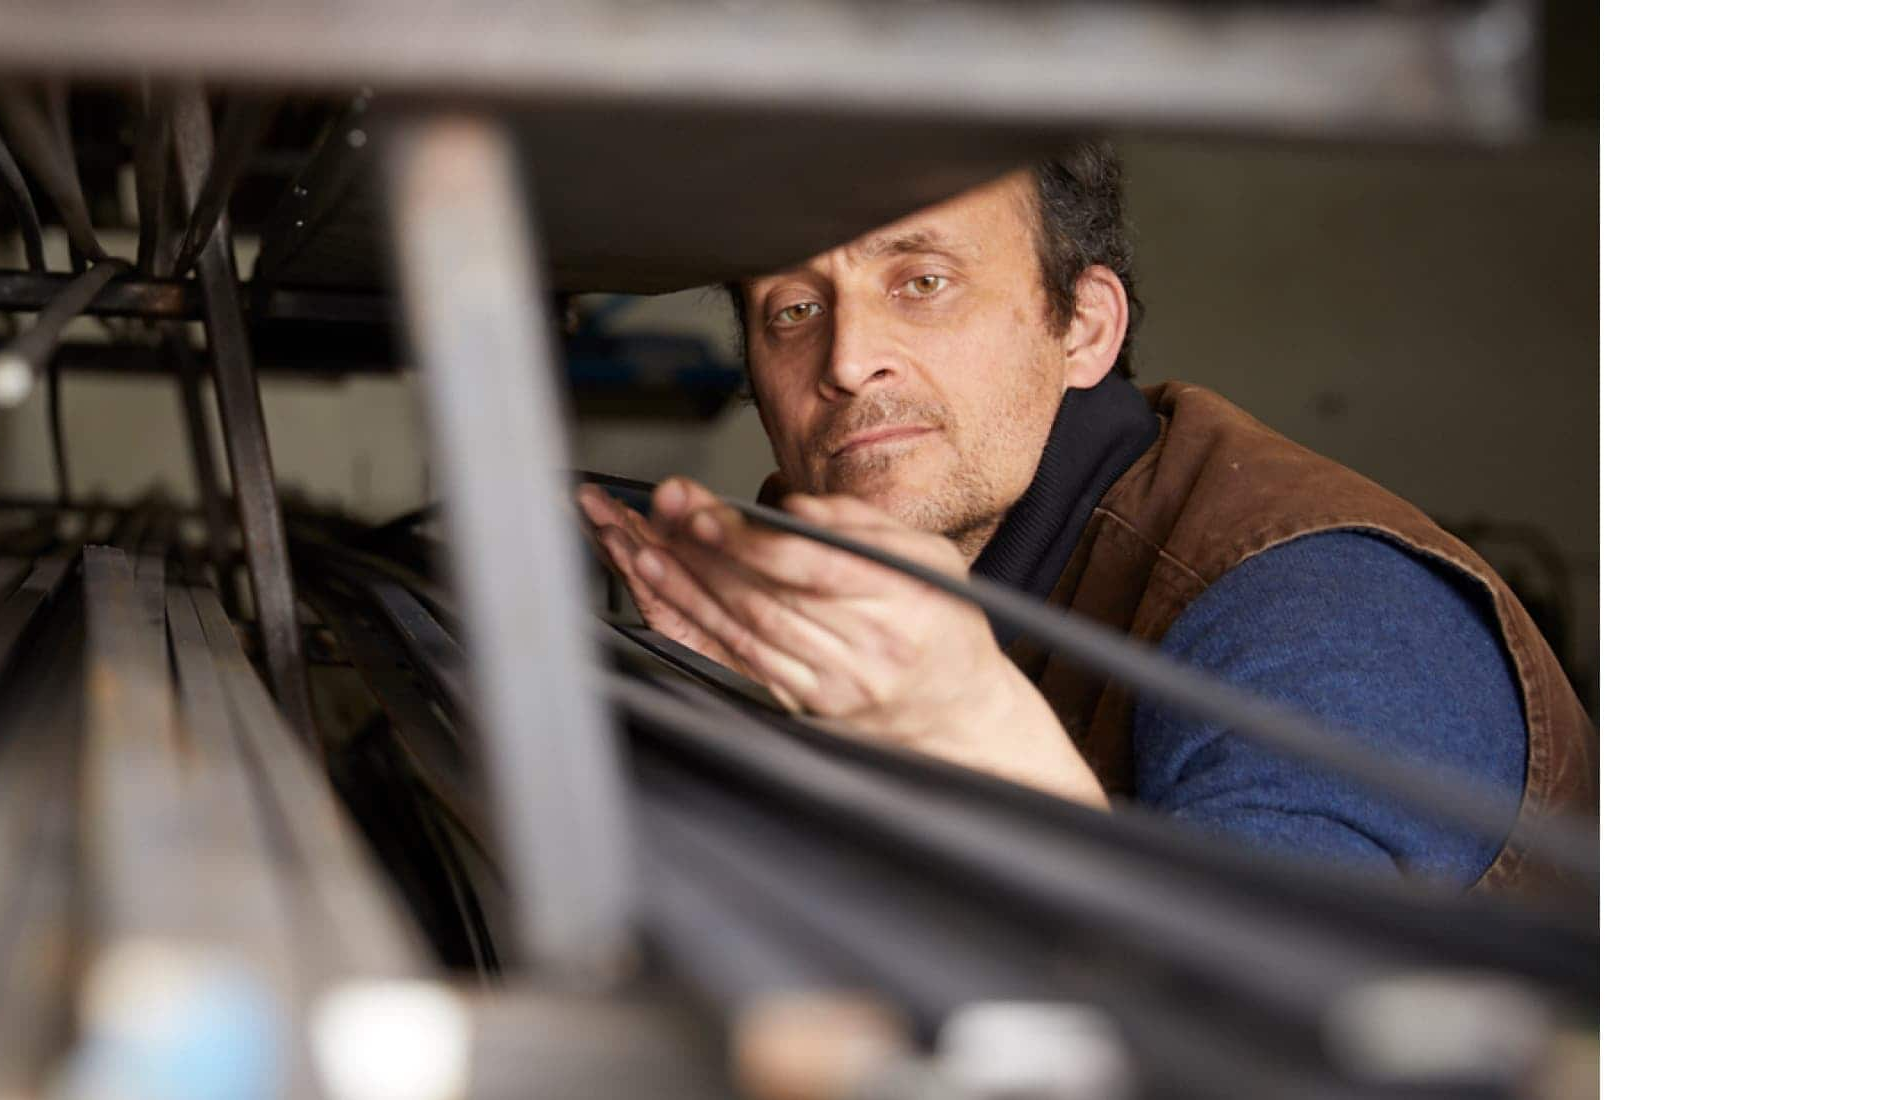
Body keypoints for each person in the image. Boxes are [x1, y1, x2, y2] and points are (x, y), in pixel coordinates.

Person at [575, 143, 1594, 895]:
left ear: (1085, 328)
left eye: (921, 282)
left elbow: (1246, 1033)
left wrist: (967, 735)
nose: (845, 360)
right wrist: (747, 730)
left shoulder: (1325, 618)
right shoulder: (904, 580)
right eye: (792, 308)